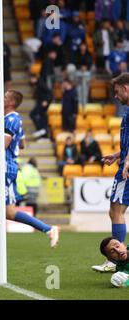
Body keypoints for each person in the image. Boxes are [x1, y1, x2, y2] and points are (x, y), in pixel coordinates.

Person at [0, 90, 60, 258]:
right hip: (0, 167)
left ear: (11, 103)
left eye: (5, 96)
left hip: (5, 168)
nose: (1, 97)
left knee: (9, 213)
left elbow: (3, 145)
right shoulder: (13, 120)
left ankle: (49, 229)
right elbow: (21, 144)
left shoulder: (11, 119)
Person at [92, 73, 129, 273]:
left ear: (126, 88)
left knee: (116, 210)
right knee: (114, 211)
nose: (115, 96)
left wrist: (127, 161)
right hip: (124, 161)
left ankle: (116, 259)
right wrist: (117, 155)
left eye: (117, 92)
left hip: (127, 167)